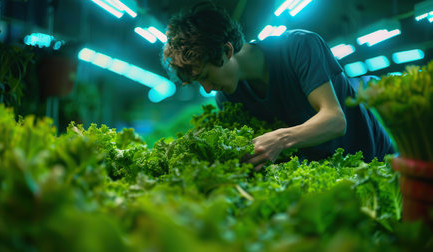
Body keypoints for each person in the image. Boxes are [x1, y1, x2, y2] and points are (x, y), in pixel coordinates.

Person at [162, 1, 395, 170]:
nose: (207, 89)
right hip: (328, 174)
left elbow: (335, 120)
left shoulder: (300, 47)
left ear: (227, 50)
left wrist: (280, 139)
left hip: (375, 163)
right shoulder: (229, 96)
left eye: (205, 76)